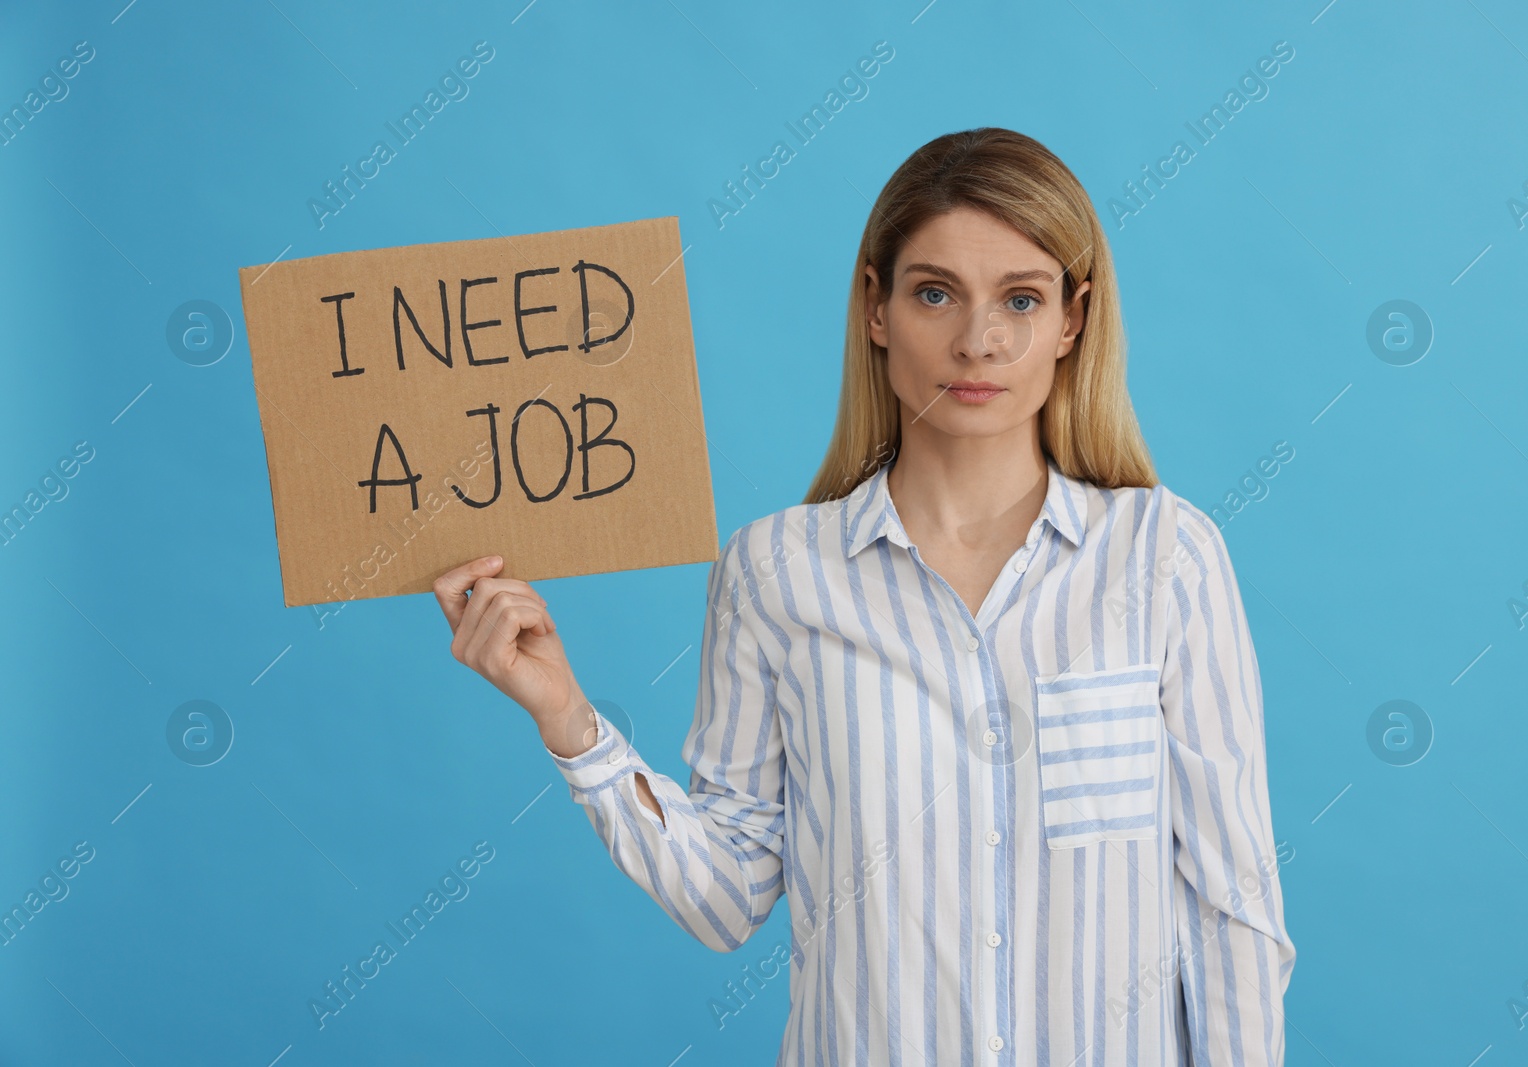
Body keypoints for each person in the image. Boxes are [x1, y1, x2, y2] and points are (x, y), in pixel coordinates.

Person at [433, 127, 1295, 1066]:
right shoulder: (773, 573)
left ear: (1072, 318)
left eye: (1021, 298)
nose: (978, 340)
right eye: (935, 293)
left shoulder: (1167, 557)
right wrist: (567, 715)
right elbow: (725, 897)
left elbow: (1232, 909)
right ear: (875, 307)